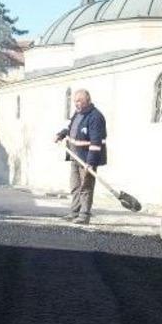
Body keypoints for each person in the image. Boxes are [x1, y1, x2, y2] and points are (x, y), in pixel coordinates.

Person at [53, 89, 107, 225]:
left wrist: (90, 162)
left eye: (79, 101)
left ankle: (84, 215)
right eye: (75, 101)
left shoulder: (96, 117)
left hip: (86, 158)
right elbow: (70, 129)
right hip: (74, 157)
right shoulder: (77, 114)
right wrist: (61, 134)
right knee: (75, 185)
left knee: (86, 187)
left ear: (87, 100)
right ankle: (74, 212)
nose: (76, 104)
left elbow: (96, 142)